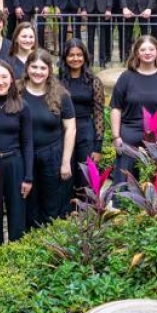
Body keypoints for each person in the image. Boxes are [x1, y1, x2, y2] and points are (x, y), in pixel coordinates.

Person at [110, 35, 157, 183]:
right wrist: (116, 137)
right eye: (143, 49)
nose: (147, 52)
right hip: (129, 135)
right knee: (124, 183)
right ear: (136, 53)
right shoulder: (126, 78)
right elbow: (116, 108)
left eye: (151, 49)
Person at [0, 60, 34, 247]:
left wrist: (28, 177)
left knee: (17, 215)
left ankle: (16, 255)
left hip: (14, 164)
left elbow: (27, 143)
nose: (0, 81)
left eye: (4, 77)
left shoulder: (22, 106)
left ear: (12, 79)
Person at [20, 49, 76, 227]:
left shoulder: (61, 95)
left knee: (51, 203)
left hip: (52, 155)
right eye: (34, 67)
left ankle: (50, 238)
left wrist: (65, 162)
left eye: (43, 68)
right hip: (24, 156)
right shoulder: (16, 92)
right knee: (28, 203)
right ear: (27, 68)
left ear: (49, 70)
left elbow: (70, 128)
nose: (38, 72)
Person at [59, 38, 105, 196]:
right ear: (65, 57)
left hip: (86, 133)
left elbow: (99, 113)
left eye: (79, 55)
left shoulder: (93, 82)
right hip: (63, 133)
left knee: (86, 178)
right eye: (71, 55)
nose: (75, 58)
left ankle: (87, 210)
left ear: (85, 57)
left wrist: (98, 146)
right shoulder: (58, 82)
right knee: (65, 176)